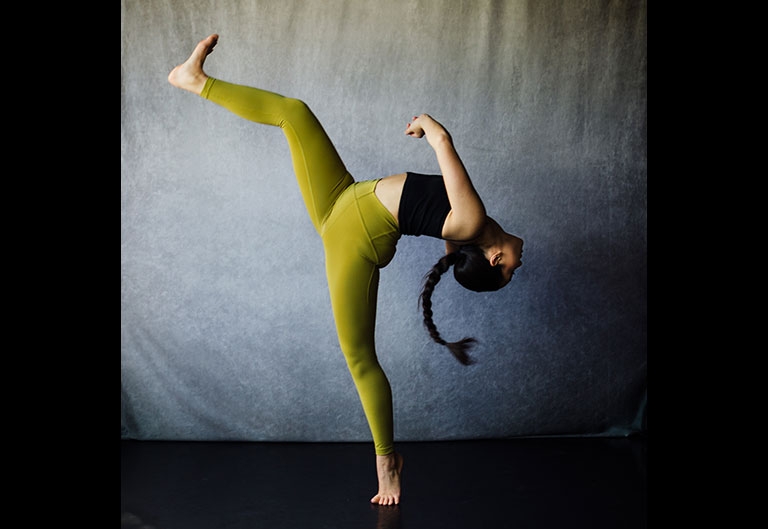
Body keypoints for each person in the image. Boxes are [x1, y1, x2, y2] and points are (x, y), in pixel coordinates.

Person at [168, 33, 524, 506]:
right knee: (293, 112)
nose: (519, 267)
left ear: (495, 258)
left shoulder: (473, 220)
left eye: (510, 273)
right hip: (341, 198)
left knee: (360, 359)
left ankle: (387, 463)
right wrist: (454, 253)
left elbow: (443, 142)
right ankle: (194, 80)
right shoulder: (468, 230)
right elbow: (445, 236)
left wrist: (426, 125)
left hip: (351, 238)